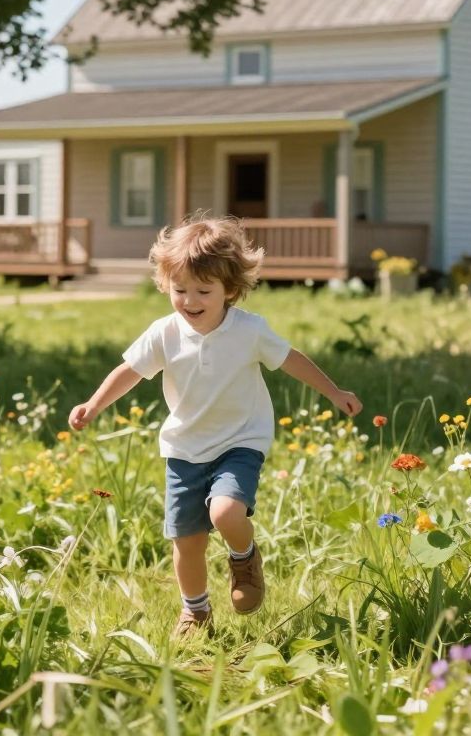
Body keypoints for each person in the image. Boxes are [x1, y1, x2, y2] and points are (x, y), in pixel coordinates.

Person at [68, 214, 363, 637]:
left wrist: (333, 392)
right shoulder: (164, 333)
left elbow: (290, 359)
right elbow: (129, 371)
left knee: (224, 511)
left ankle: (244, 558)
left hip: (240, 441)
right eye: (179, 289)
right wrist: (94, 404)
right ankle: (195, 611)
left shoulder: (249, 330)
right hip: (184, 447)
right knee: (187, 541)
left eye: (203, 291)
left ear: (230, 290)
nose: (190, 300)